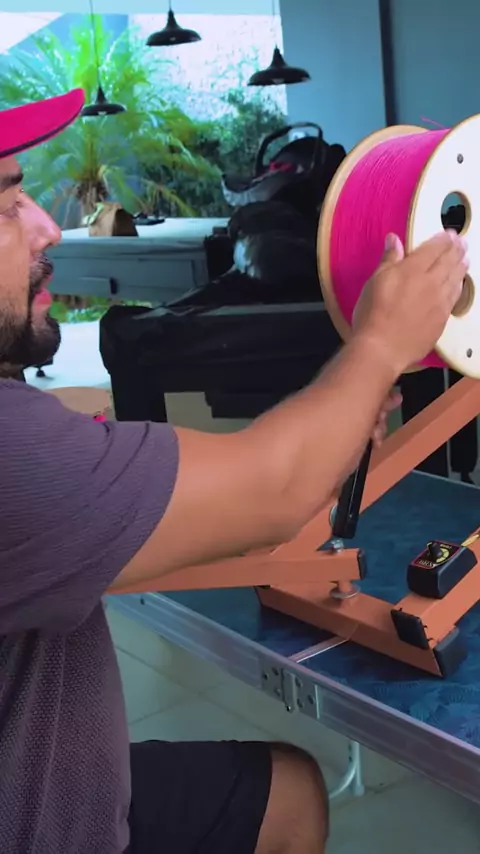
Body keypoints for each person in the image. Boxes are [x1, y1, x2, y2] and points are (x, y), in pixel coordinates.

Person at [0, 89, 468, 854]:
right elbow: (274, 490)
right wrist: (381, 344)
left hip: (42, 779)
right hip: (47, 827)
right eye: (7, 206)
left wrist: (329, 422)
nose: (49, 226)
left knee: (285, 792)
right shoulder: (16, 457)